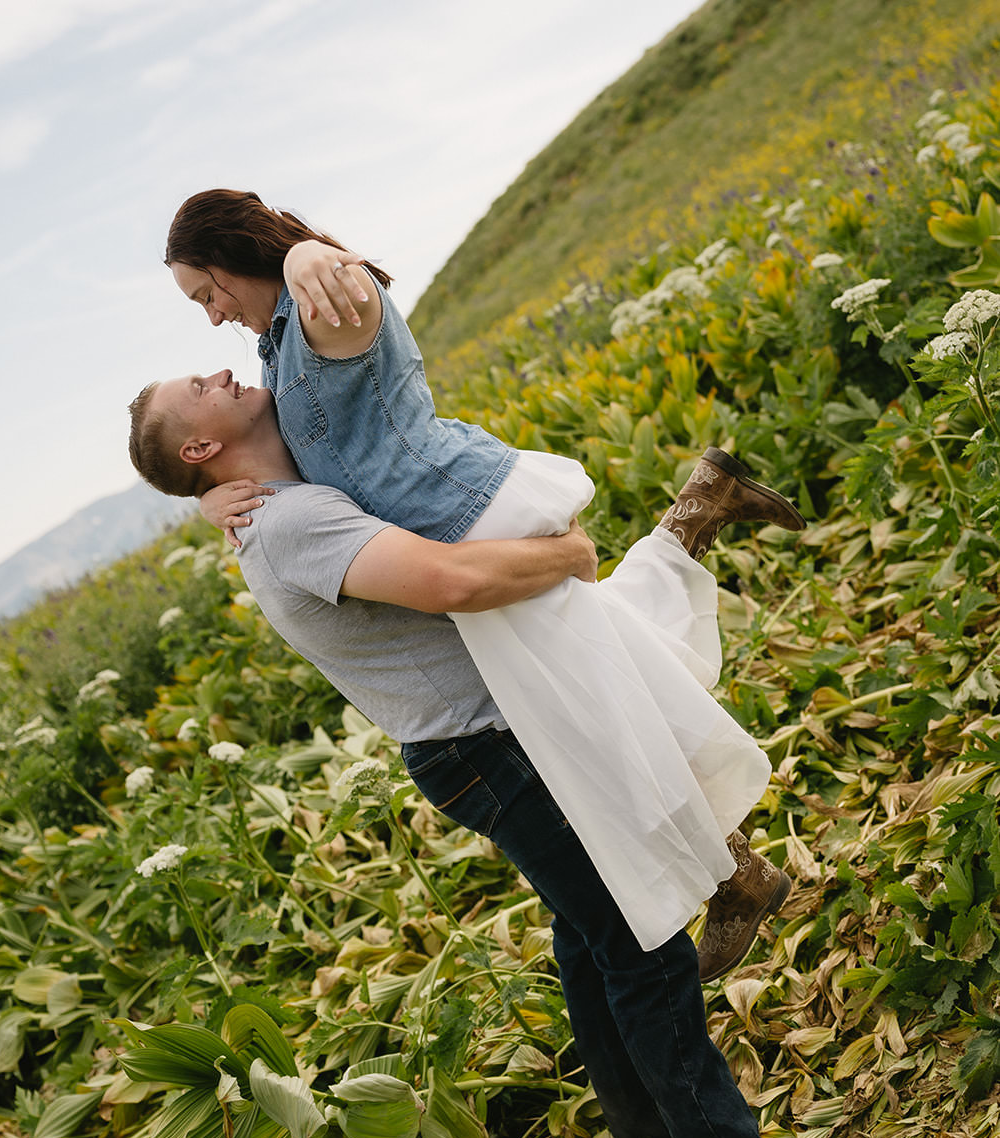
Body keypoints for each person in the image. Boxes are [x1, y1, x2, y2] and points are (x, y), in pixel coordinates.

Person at [126, 369, 903, 1138]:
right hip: (490, 749)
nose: (221, 368)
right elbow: (450, 581)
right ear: (199, 447)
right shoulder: (292, 520)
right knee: (643, 950)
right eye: (196, 384)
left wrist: (200, 500)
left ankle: (644, 1126)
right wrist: (569, 558)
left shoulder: (279, 496)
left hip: (487, 739)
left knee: (586, 932)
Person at [164, 190, 803, 976]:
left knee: (602, 712)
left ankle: (736, 877)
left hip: (466, 513)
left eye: (207, 293)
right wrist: (209, 501)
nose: (212, 316)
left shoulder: (322, 295)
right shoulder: (276, 345)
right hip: (456, 518)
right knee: (614, 682)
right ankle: (700, 510)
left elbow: (350, 295)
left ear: (233, 256)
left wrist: (301, 252)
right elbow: (290, 460)